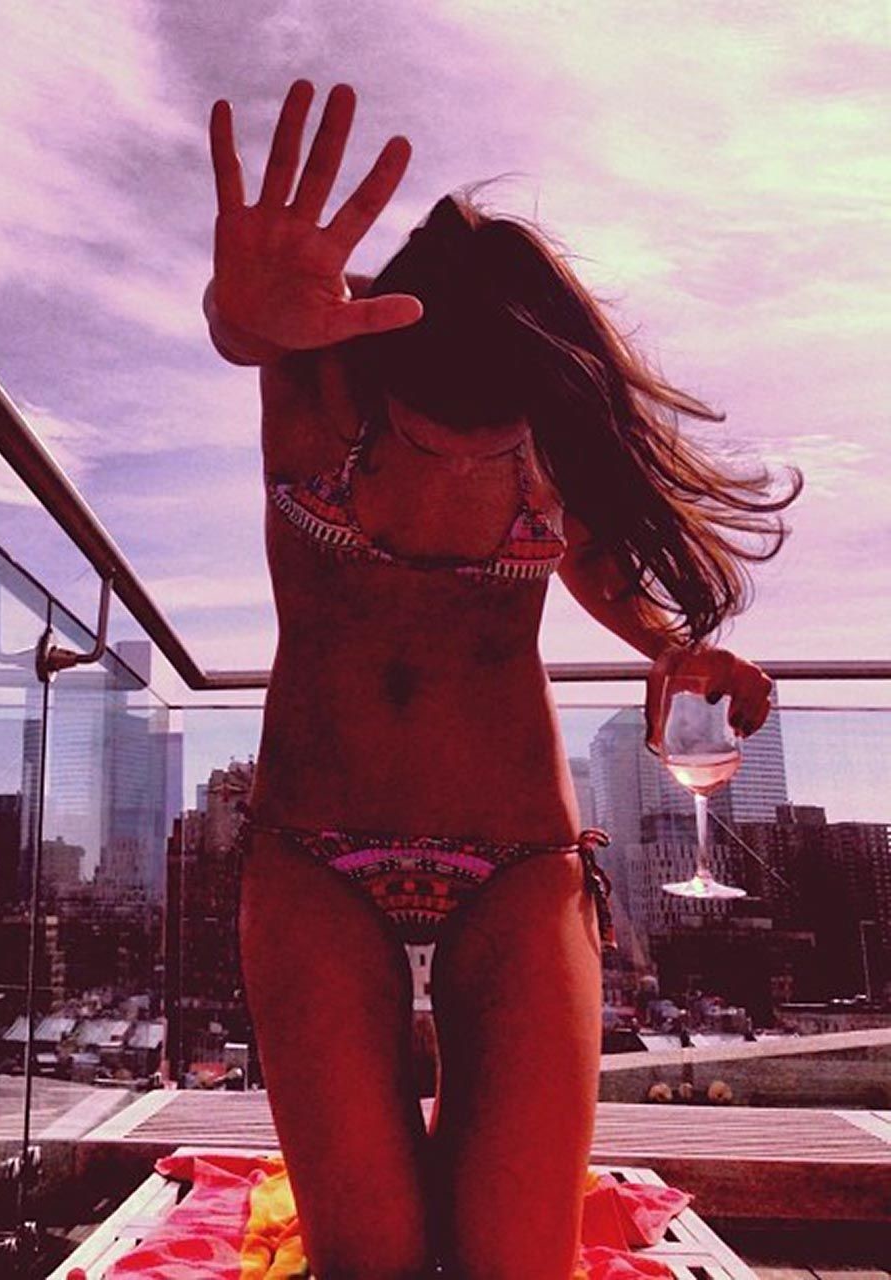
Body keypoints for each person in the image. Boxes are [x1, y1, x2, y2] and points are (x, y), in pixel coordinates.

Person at [203, 79, 801, 1279]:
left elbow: (598, 570)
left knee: (513, 1263)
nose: (466, 458)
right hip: (314, 854)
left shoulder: (544, 440)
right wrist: (236, 309)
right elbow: (245, 329)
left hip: (515, 859)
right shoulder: (316, 386)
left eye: (495, 434)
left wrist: (667, 648)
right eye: (434, 431)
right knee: (370, 1259)